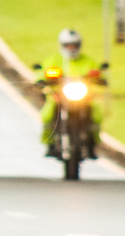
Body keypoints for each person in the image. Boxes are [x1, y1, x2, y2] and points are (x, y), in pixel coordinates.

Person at [37, 29, 104, 157]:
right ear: (62, 45)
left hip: (83, 95)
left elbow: (97, 72)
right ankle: (49, 142)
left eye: (74, 45)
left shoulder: (88, 61)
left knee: (97, 114)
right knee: (47, 114)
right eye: (68, 45)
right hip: (59, 94)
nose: (71, 48)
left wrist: (100, 78)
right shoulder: (55, 60)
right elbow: (42, 72)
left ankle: (93, 142)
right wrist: (41, 79)